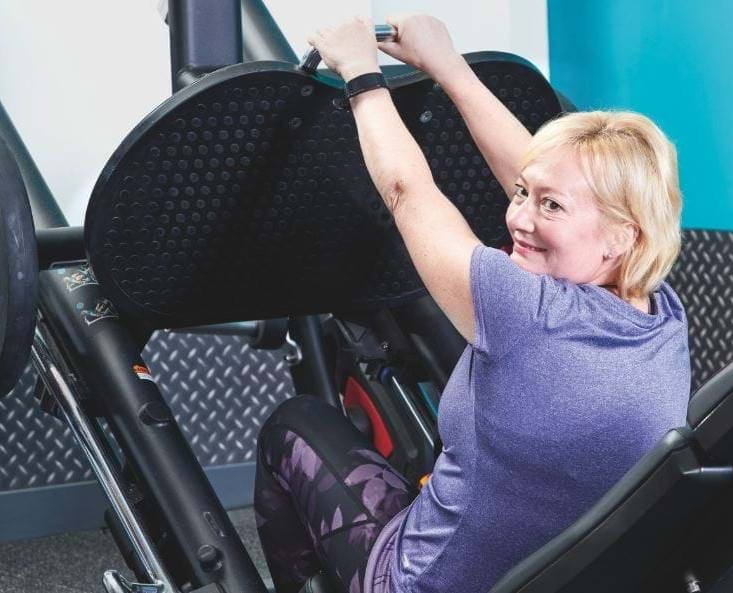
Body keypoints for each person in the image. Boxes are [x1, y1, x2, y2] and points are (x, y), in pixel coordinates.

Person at [254, 14, 690, 593]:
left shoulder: (526, 314)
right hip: (564, 577)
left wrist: (359, 72)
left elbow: (407, 193)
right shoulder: (659, 313)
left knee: (293, 425)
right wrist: (447, 67)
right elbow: (541, 176)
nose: (519, 218)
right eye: (521, 196)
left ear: (621, 236)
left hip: (425, 584)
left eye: (551, 208)